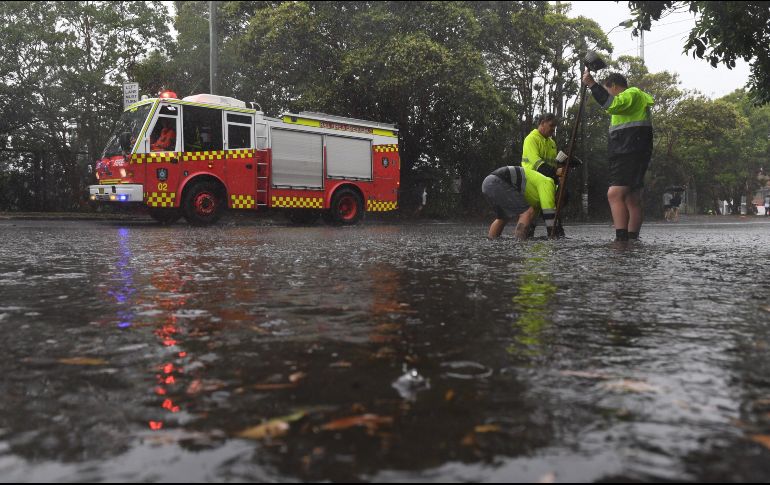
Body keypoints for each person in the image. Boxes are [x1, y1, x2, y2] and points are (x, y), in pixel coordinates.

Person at [582, 70, 654, 241]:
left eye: (608, 90)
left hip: (628, 151)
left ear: (613, 86)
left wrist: (592, 84)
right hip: (634, 151)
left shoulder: (632, 93)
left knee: (614, 194)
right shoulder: (633, 101)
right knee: (631, 197)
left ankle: (621, 240)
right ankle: (631, 239)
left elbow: (612, 104)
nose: (608, 95)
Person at [482, 165, 563, 240]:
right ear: (558, 195)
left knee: (503, 217)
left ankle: (491, 242)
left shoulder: (538, 202)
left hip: (488, 183)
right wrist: (555, 236)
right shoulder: (548, 183)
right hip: (497, 181)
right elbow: (549, 214)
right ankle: (519, 247)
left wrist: (530, 235)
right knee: (527, 212)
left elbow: (531, 223)